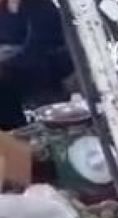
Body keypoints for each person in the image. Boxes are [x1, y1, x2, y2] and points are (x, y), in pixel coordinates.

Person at [0, 0, 73, 130]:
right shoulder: (4, 9)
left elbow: (36, 48)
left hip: (48, 64)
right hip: (16, 66)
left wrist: (6, 63)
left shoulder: (39, 5)